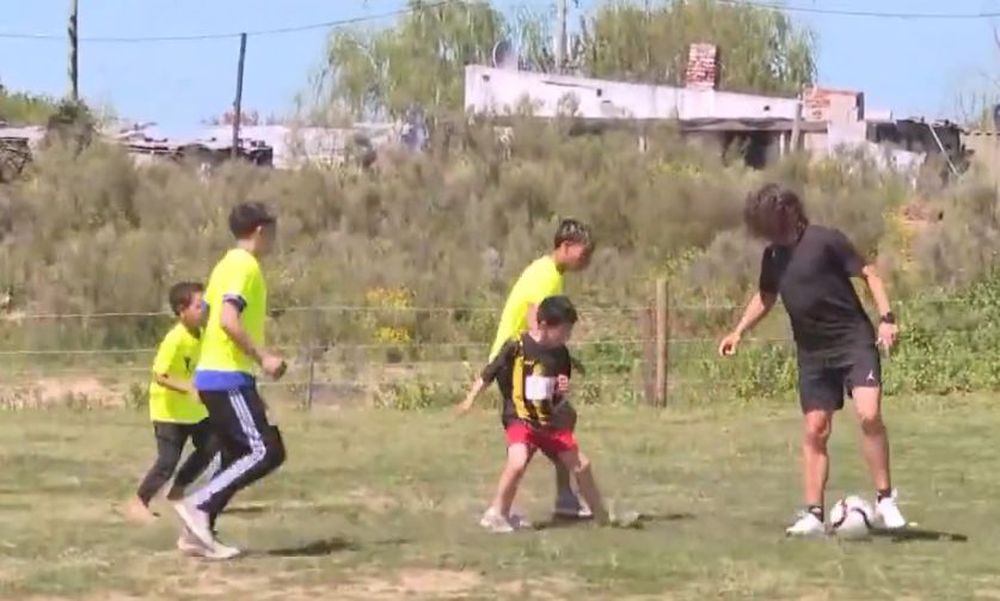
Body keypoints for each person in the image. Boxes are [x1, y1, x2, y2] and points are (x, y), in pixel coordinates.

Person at [717, 183, 907, 536]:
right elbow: (766, 296)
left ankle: (885, 499)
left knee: (869, 415)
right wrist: (739, 331)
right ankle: (813, 515)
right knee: (815, 429)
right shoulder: (773, 257)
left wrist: (887, 319)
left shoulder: (825, 240)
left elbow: (869, 274)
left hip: (853, 342)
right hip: (813, 354)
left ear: (786, 213)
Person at [173, 201, 287, 560]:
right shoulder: (244, 266)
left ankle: (196, 534)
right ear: (260, 231)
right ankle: (199, 506)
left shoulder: (224, 265)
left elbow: (207, 318)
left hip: (217, 374)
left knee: (237, 452)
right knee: (266, 450)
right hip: (226, 375)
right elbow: (227, 319)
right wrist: (263, 358)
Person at [461, 296, 611, 532]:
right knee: (518, 461)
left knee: (582, 465)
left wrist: (562, 388)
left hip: (548, 421)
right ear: (543, 325)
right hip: (519, 417)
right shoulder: (517, 346)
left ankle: (603, 519)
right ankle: (496, 514)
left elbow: (559, 389)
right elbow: (488, 373)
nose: (567, 336)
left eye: (569, 331)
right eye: (564, 330)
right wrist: (470, 399)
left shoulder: (561, 354)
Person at [488, 218, 594, 519]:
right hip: (517, 364)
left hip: (524, 363)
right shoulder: (546, 275)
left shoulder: (550, 273)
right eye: (584, 252)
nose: (587, 259)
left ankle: (562, 497)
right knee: (547, 424)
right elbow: (534, 318)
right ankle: (503, 508)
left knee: (556, 421)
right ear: (566, 246)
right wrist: (551, 360)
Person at [127, 282, 217, 531]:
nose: (203, 309)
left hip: (194, 411)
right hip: (168, 412)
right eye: (198, 306)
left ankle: (177, 492)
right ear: (181, 310)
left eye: (204, 305)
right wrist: (188, 388)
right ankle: (139, 502)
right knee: (167, 461)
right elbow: (160, 375)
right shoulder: (175, 339)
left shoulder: (204, 334)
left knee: (211, 446)